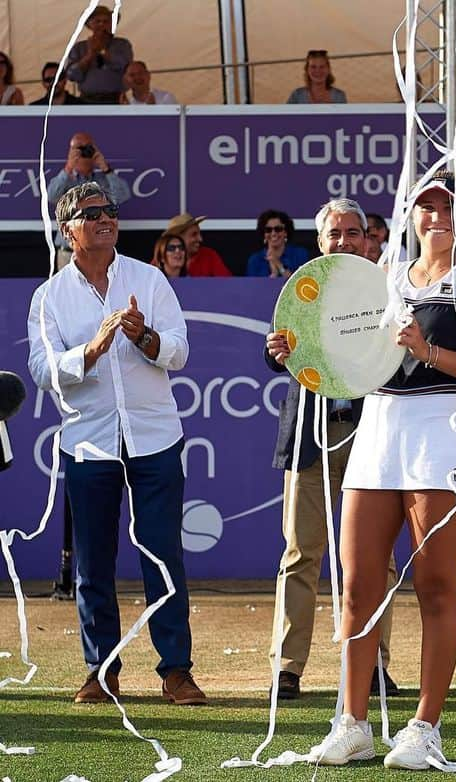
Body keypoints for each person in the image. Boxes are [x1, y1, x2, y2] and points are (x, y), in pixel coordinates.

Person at [308, 171, 456, 768]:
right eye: (425, 206)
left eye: (448, 207)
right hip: (379, 429)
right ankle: (353, 722)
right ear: (409, 215)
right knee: (358, 585)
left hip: (442, 433)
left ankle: (424, 727)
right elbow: (348, 353)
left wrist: (428, 352)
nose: (436, 217)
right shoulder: (385, 279)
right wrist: (298, 350)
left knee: (434, 586)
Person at [26, 181, 206, 706]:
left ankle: (176, 671)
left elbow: (179, 351)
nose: (105, 217)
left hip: (155, 439)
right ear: (68, 231)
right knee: (92, 563)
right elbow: (42, 372)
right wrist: (93, 348)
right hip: (89, 444)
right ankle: (100, 670)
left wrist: (144, 338)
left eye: (110, 210)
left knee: (163, 555)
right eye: (91, 213)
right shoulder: (49, 297)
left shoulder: (147, 280)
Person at [264, 198, 399, 701]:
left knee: (377, 560)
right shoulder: (302, 289)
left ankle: (374, 665)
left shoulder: (385, 291)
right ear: (320, 242)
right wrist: (275, 350)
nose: (343, 241)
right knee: (300, 555)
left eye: (351, 232)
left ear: (368, 239)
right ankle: (287, 668)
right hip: (310, 438)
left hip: (372, 436)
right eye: (333, 234)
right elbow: (276, 346)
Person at [47, 132, 132, 269]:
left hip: (98, 254)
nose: (84, 154)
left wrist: (105, 167)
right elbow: (51, 196)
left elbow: (123, 195)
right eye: (80, 149)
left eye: (88, 148)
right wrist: (68, 167)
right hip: (68, 252)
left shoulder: (102, 181)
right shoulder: (66, 181)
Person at [65, 5, 133, 104]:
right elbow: (72, 75)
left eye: (106, 21)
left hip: (116, 99)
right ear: (89, 24)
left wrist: (102, 51)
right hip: (87, 101)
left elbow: (125, 66)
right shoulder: (78, 47)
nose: (102, 25)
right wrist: (90, 55)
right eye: (97, 21)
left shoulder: (122, 44)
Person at [165, 213, 232, 277]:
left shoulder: (209, 255)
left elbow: (228, 285)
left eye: (199, 234)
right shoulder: (161, 257)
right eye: (194, 234)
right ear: (178, 237)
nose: (200, 239)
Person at [246, 210, 308, 278]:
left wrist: (279, 265)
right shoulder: (255, 260)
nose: (273, 233)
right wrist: (274, 273)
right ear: (264, 234)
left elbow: (300, 284)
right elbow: (252, 287)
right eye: (268, 230)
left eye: (278, 229)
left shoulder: (299, 254)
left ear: (286, 232)